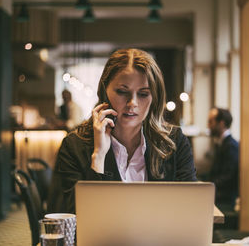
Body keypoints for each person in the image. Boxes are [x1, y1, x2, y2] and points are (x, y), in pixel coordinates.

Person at [51, 49, 197, 213]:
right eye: (122, 92)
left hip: (161, 239)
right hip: (99, 239)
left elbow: (189, 210)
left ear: (154, 97)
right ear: (105, 91)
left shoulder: (175, 142)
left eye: (143, 94)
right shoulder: (74, 146)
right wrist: (98, 157)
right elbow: (68, 219)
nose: (132, 103)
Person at [207, 107, 239, 209]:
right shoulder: (222, 143)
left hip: (225, 200)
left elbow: (228, 177)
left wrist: (207, 185)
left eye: (211, 122)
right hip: (219, 196)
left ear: (221, 123)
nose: (208, 126)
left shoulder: (231, 146)